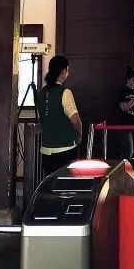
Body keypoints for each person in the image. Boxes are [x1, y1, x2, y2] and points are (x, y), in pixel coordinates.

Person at [37, 55, 83, 186]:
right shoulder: (65, 92)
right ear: (63, 71)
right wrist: (80, 133)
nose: (68, 73)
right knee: (65, 186)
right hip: (65, 148)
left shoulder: (41, 93)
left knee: (51, 185)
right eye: (67, 70)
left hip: (46, 148)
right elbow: (75, 120)